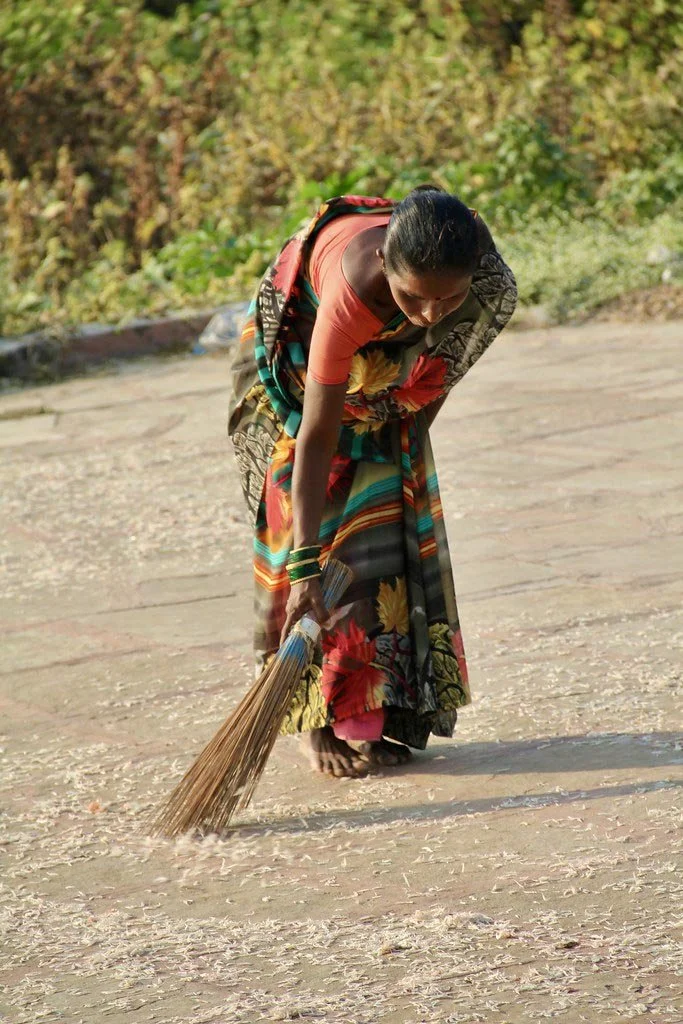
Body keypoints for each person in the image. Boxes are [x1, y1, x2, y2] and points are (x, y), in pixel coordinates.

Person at [224, 187, 517, 778]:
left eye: (447, 297)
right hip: (295, 359)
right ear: (386, 263)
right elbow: (315, 436)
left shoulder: (486, 285)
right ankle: (311, 718)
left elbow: (434, 376)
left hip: (383, 375)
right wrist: (305, 564)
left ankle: (372, 709)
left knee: (381, 515)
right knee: (298, 519)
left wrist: (398, 440)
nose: (429, 314)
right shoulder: (351, 294)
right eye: (414, 297)